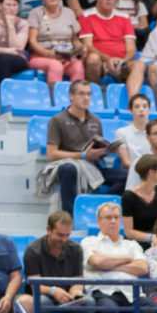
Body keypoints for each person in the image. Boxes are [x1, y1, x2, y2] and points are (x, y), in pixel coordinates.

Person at [81, 201, 157, 313]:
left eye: (116, 217)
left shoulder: (131, 245)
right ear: (98, 221)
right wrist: (127, 259)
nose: (113, 221)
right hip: (103, 292)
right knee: (109, 311)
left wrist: (109, 266)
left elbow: (143, 268)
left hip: (131, 294)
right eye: (108, 217)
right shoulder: (89, 242)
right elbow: (96, 261)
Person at [45, 79, 127, 214]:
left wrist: (108, 150)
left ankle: (98, 206)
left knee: (127, 176)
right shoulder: (57, 120)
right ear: (71, 96)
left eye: (89, 94)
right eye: (82, 94)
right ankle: (70, 216)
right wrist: (82, 155)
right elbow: (51, 154)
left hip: (94, 166)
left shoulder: (95, 120)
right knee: (68, 169)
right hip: (71, 165)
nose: (86, 98)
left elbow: (97, 148)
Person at [15, 210, 90, 313]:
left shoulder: (76, 249)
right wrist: (53, 291)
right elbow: (34, 285)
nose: (64, 239)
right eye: (60, 235)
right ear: (48, 229)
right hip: (43, 295)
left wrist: (76, 292)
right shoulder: (33, 250)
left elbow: (77, 280)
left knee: (89, 303)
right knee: (42, 303)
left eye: (68, 235)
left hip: (67, 296)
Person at [80, 0, 146, 104]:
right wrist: (108, 59)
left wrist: (122, 61)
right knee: (92, 59)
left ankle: (132, 102)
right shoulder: (87, 15)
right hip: (100, 61)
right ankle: (95, 99)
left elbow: (131, 48)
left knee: (139, 64)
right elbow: (88, 45)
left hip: (121, 61)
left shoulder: (124, 17)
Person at [26, 0, 84, 83]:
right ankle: (54, 99)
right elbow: (32, 42)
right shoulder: (35, 13)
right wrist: (48, 54)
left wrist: (80, 48)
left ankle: (76, 98)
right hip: (41, 56)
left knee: (78, 66)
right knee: (55, 65)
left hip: (66, 57)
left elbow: (75, 40)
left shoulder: (69, 13)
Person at [122, 153, 157, 245]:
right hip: (136, 243)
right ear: (151, 172)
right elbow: (128, 232)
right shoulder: (128, 196)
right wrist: (150, 237)